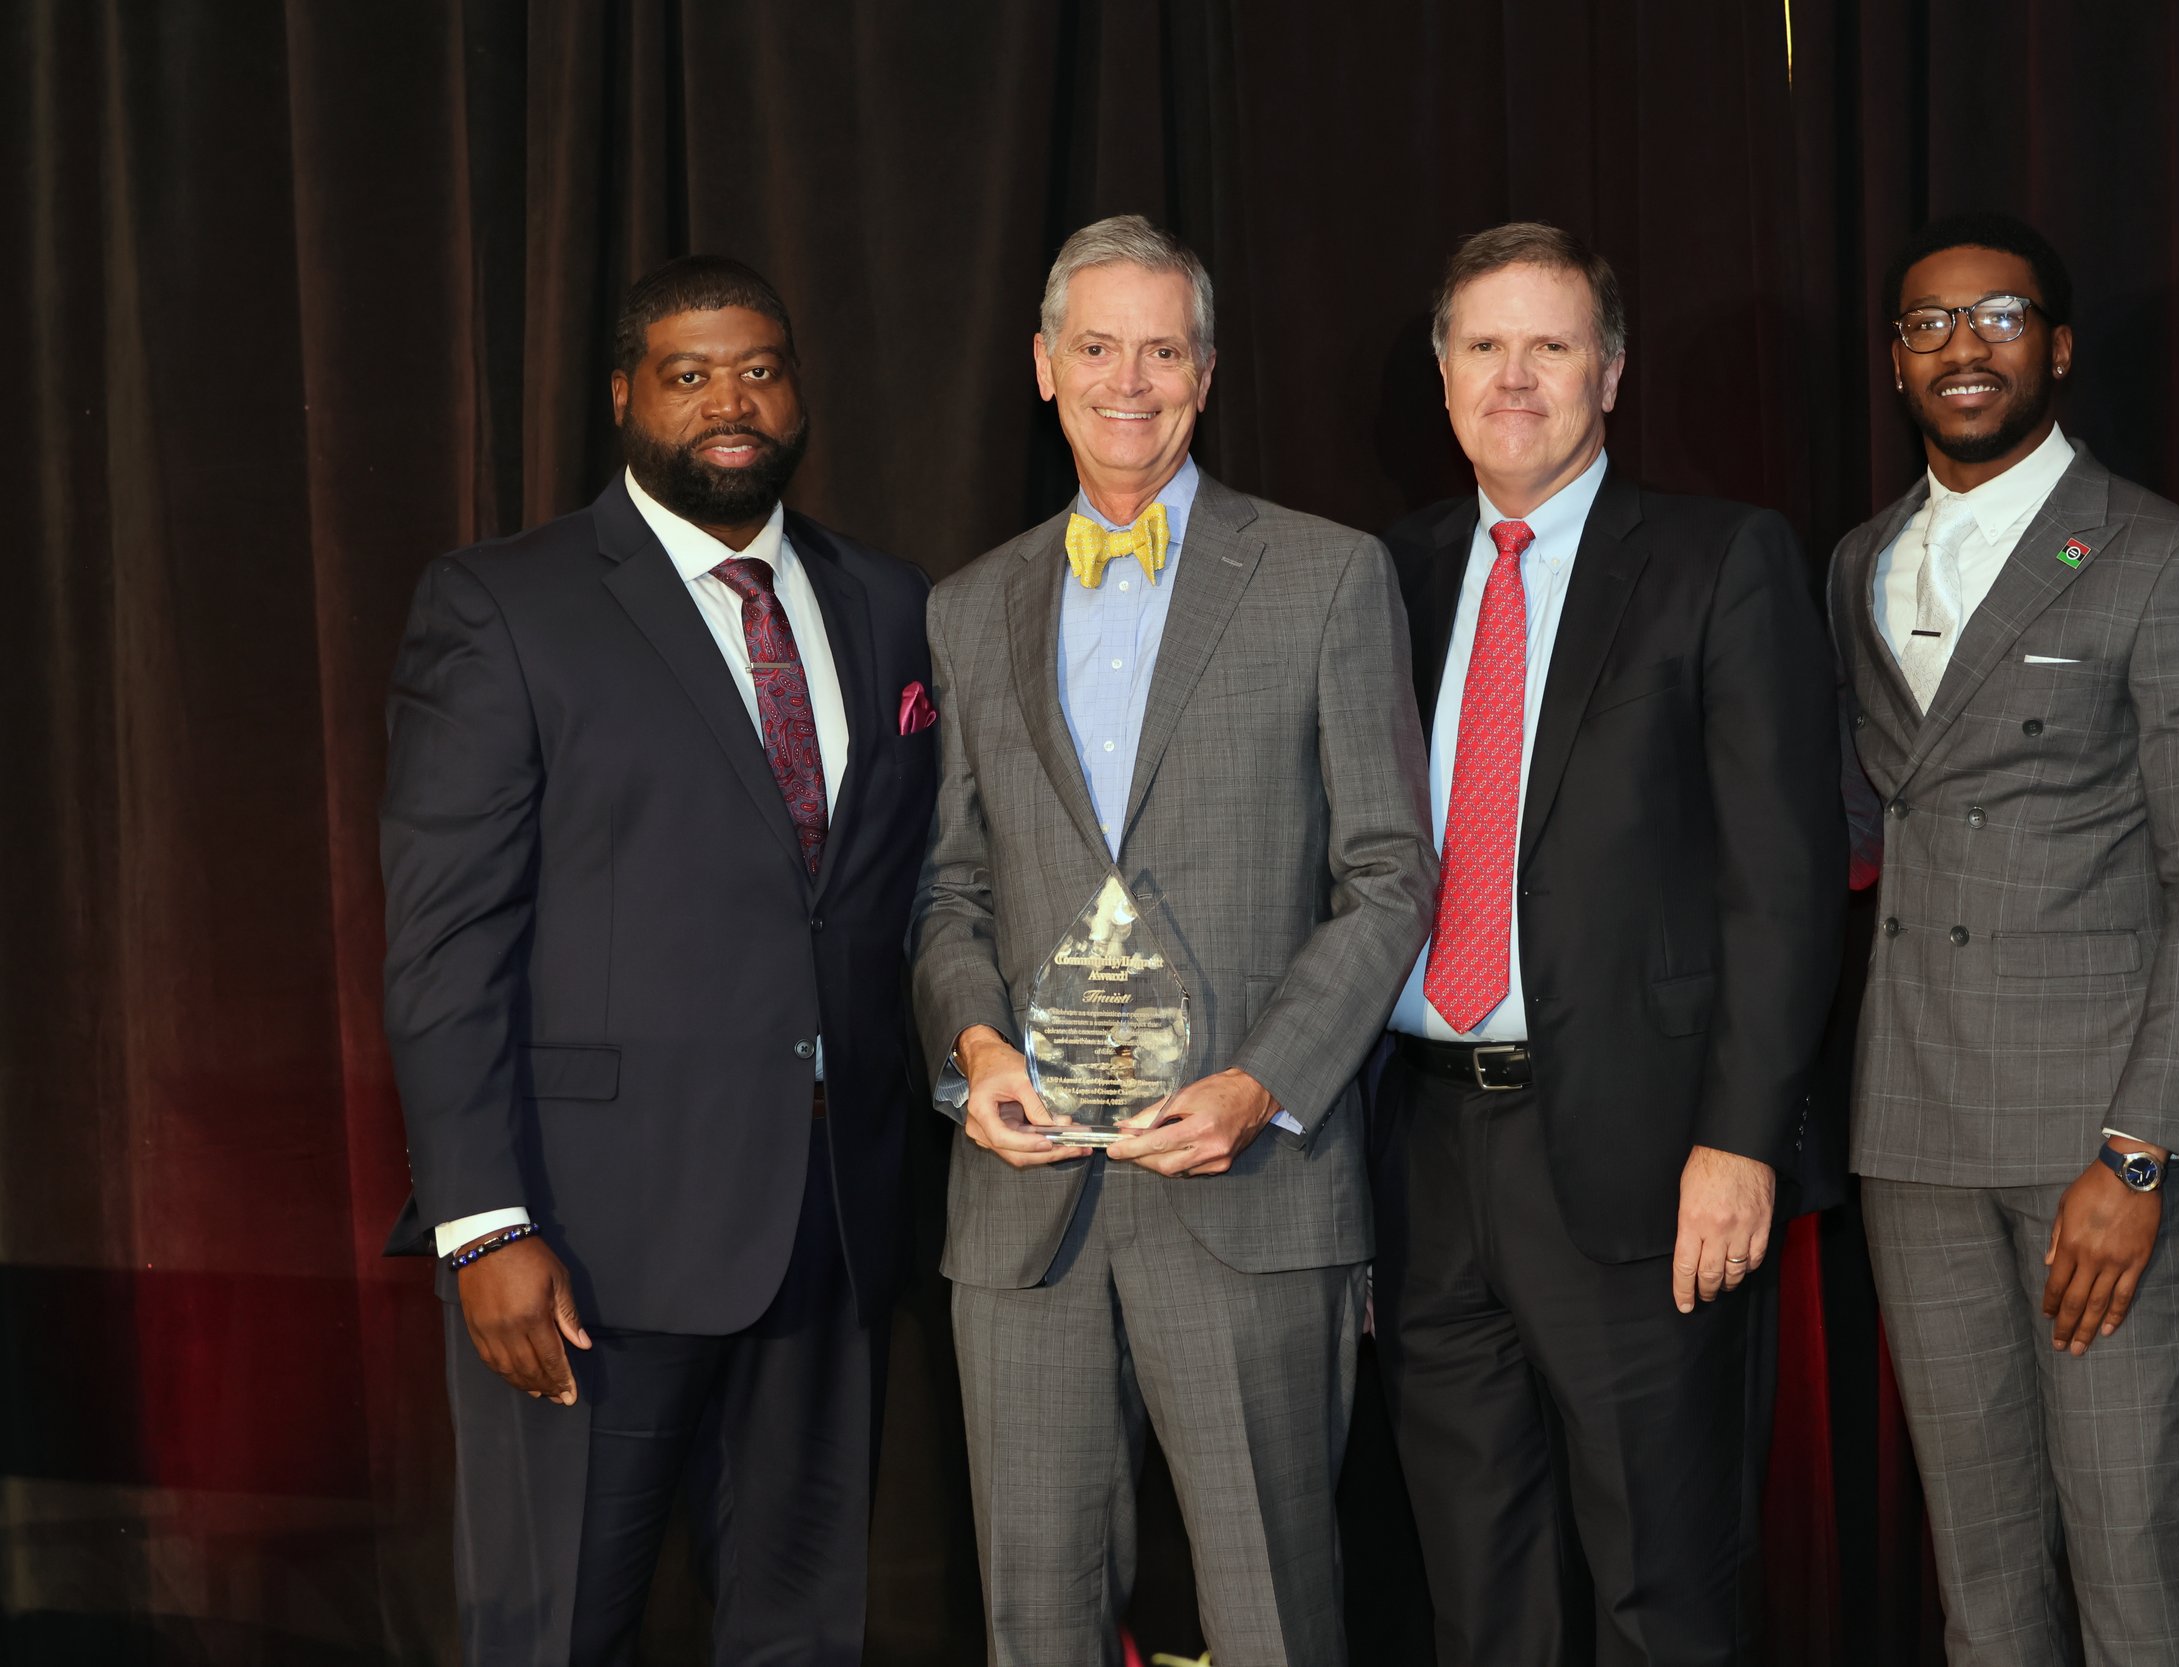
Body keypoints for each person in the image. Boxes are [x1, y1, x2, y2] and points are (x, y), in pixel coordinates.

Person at [380, 256, 935, 1664]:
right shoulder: (507, 603)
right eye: (689, 375)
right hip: (588, 1248)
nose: (730, 403)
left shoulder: (885, 600)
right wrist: (485, 1224)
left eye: (758, 368)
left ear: (799, 390)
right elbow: (446, 938)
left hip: (834, 1230)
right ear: (627, 394)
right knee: (557, 1629)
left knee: (806, 1634)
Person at [910, 214, 1435, 1667]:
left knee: (1274, 1615)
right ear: (1040, 367)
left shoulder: (1326, 577)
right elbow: (946, 888)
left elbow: (1391, 874)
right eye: (1095, 346)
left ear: (1204, 377)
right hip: (1027, 1210)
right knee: (1037, 1622)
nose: (1124, 379)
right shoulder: (967, 610)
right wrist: (972, 1050)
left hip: (1250, 1185)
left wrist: (1263, 1083)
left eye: (1160, 349)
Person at [1371, 221, 1846, 1666]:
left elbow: (1786, 878)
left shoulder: (1721, 560)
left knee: (1662, 1591)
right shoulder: (1380, 578)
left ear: (1612, 375)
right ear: (1444, 374)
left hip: (1648, 1169)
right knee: (1478, 1594)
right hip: (1424, 1159)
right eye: (1484, 345)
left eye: (1553, 345)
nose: (1516, 376)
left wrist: (1742, 1140)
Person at [1833, 211, 2179, 1663]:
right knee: (1982, 1568)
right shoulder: (1858, 565)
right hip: (1911, 1136)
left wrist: (2142, 1151)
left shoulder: (2166, 557)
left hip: (2090, 1142)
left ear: (2061, 348)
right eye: (1930, 325)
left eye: (2001, 319)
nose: (1965, 347)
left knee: (2131, 1550)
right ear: (1896, 362)